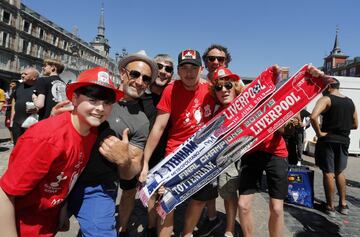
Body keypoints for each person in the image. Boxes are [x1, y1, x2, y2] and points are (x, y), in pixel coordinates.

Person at [0, 66, 124, 237]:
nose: (101, 108)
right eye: (93, 100)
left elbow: (68, 174)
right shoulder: (46, 139)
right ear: (74, 98)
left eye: (107, 103)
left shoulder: (91, 132)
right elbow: (5, 193)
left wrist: (62, 209)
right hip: (23, 226)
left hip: (47, 222)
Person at [65, 50, 158, 237]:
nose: (140, 82)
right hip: (62, 176)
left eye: (146, 79)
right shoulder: (94, 92)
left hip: (99, 187)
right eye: (135, 74)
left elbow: (129, 174)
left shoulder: (141, 121)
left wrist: (124, 160)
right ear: (123, 73)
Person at [238, 66, 326, 237]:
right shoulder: (247, 96)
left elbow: (288, 132)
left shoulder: (281, 100)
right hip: (251, 153)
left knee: (277, 208)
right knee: (243, 205)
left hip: (276, 154)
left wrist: (288, 123)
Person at [139, 49, 216, 237]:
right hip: (176, 154)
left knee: (199, 200)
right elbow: (158, 127)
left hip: (203, 154)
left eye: (193, 68)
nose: (189, 73)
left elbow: (237, 95)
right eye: (184, 68)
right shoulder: (170, 90)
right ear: (179, 71)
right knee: (166, 203)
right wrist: (146, 162)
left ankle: (187, 233)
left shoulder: (211, 89)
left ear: (201, 69)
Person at [186, 66, 244, 237]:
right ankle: (211, 219)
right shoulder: (216, 109)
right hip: (212, 158)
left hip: (232, 157)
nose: (224, 90)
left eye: (228, 86)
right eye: (219, 87)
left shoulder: (244, 105)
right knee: (209, 192)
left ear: (235, 86)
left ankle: (230, 229)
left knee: (228, 194)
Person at [193, 44, 233, 236]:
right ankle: (211, 217)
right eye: (211, 58)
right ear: (205, 61)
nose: (215, 62)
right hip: (205, 144)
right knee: (207, 185)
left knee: (227, 188)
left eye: (220, 59)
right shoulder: (199, 83)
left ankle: (230, 229)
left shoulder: (232, 81)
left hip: (228, 145)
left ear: (226, 61)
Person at [310, 78, 358, 217]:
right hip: (344, 140)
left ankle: (330, 206)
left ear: (329, 86)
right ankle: (343, 205)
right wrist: (341, 126)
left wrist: (319, 133)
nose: (322, 89)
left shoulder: (326, 99)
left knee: (328, 173)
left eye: (323, 86)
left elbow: (313, 117)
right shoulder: (350, 102)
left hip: (328, 140)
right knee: (340, 171)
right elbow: (355, 124)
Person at [139, 53, 174, 237]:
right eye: (159, 67)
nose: (163, 72)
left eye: (168, 69)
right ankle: (151, 228)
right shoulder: (139, 96)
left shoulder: (173, 96)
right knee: (149, 192)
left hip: (167, 153)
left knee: (165, 195)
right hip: (144, 153)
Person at [10, 67, 39, 144]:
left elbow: (44, 104)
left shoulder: (40, 88)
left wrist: (37, 109)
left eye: (25, 74)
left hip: (31, 123)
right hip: (17, 122)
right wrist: (12, 118)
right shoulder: (19, 86)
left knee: (28, 146)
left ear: (34, 77)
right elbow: (15, 101)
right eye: (22, 73)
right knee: (16, 145)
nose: (22, 75)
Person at [4, 80, 17, 144]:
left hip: (11, 111)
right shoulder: (12, 92)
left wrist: (5, 105)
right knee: (8, 125)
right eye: (10, 84)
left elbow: (15, 103)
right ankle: (12, 139)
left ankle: (13, 140)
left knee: (10, 125)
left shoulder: (16, 92)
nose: (10, 85)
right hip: (8, 111)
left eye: (12, 84)